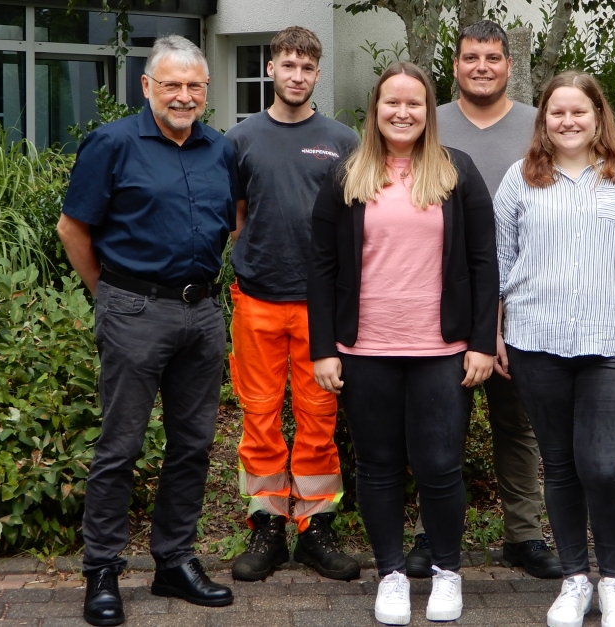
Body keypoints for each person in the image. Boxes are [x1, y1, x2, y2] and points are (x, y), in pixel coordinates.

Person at [307, 61, 498, 625]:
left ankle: (446, 571)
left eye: (414, 103)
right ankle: (390, 573)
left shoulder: (455, 172)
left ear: (427, 111)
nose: (403, 112)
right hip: (366, 350)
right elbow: (320, 267)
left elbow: (484, 264)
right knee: (378, 466)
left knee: (440, 466)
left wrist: (482, 342)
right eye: (392, 102)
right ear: (375, 108)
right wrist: (324, 348)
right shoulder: (347, 174)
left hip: (442, 349)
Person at [57, 35, 236, 627]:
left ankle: (173, 561)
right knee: (121, 446)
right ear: (147, 87)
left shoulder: (220, 149)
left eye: (194, 86)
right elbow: (72, 228)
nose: (184, 96)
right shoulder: (113, 143)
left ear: (206, 91)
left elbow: (230, 220)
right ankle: (102, 569)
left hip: (203, 314)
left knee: (192, 444)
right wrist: (109, 295)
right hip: (133, 310)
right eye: (172, 85)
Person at [495, 71, 615, 627]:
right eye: (556, 113)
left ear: (598, 116)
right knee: (560, 465)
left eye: (579, 112)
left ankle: (613, 580)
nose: (568, 122)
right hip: (536, 343)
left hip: (612, 344)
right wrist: (494, 331)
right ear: (542, 120)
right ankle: (575, 579)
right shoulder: (520, 180)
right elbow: (499, 262)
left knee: (601, 465)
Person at [401, 18, 560, 580]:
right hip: (441, 304)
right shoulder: (429, 124)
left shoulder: (536, 126)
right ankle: (431, 535)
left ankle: (525, 534)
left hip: (523, 305)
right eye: (471, 58)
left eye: (493, 58)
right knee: (439, 427)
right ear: (456, 65)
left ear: (508, 66)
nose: (482, 67)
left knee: (520, 427)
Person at [224, 26, 361, 583]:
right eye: (287, 65)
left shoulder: (342, 140)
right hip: (256, 299)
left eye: (306, 67)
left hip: (319, 307)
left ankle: (315, 529)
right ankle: (266, 526)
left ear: (317, 74)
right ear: (272, 69)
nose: (297, 76)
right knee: (258, 418)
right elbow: (236, 214)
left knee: (318, 419)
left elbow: (355, 222)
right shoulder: (240, 139)